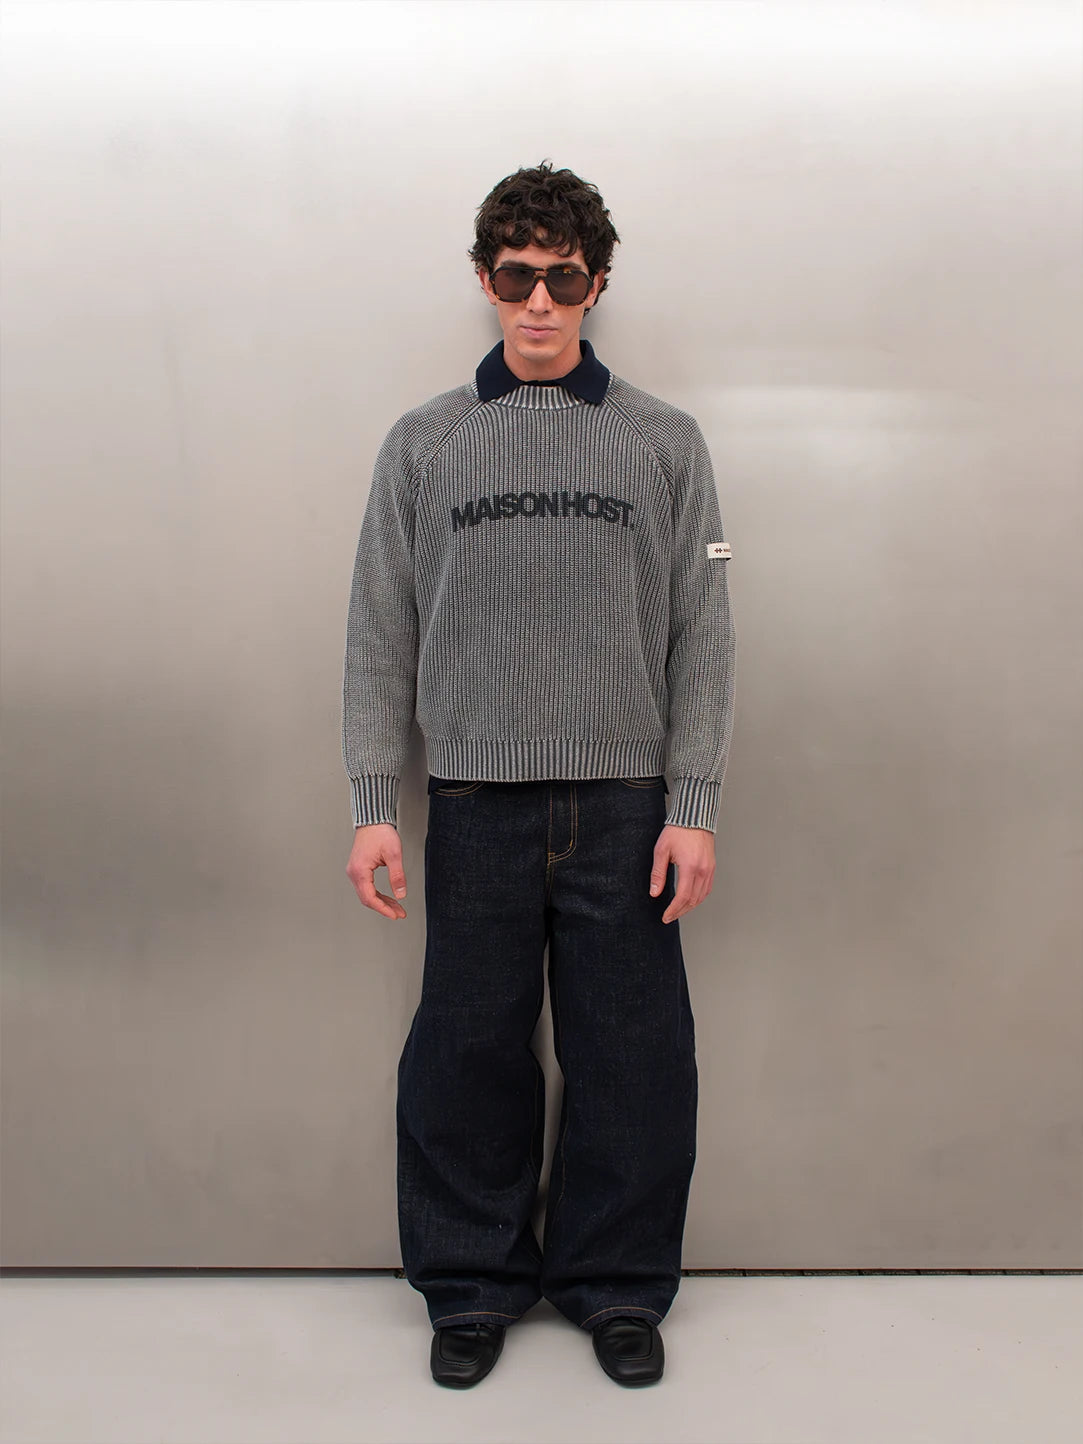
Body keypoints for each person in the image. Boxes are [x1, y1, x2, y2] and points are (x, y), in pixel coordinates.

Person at [342, 161, 735, 1389]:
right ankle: (470, 1283)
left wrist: (693, 806)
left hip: (625, 807)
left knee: (634, 1056)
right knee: (466, 1052)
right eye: (518, 276)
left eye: (564, 278)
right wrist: (372, 805)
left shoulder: (665, 442)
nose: (540, 302)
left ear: (598, 284)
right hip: (472, 804)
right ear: (485, 279)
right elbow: (379, 631)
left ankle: (617, 1282)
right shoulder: (424, 444)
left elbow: (703, 633)